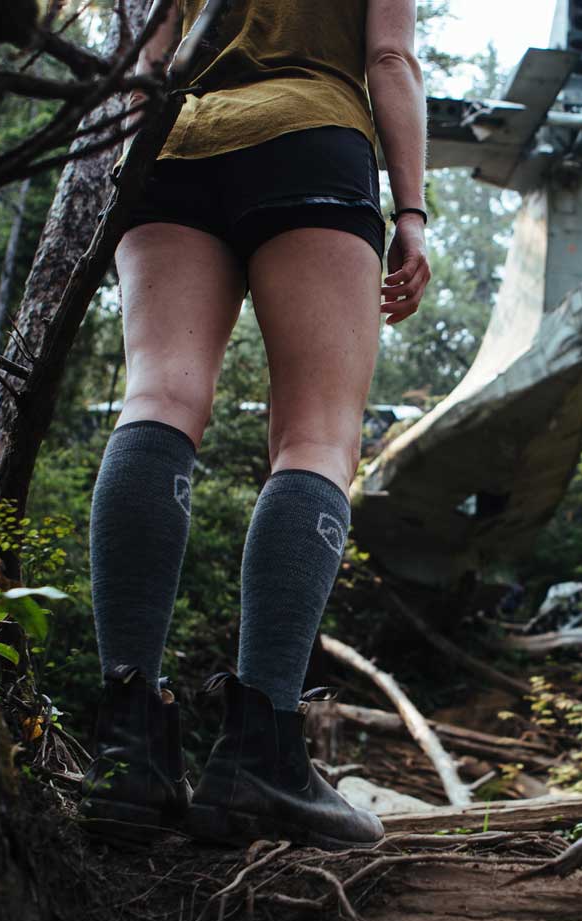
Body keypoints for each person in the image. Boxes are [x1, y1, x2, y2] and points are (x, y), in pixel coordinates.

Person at [78, 0, 430, 849]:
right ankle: (261, 756)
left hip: (170, 149)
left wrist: (135, 164)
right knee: (315, 436)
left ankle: (128, 748)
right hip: (310, 136)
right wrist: (411, 211)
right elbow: (390, 60)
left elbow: (143, 59)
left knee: (158, 399)